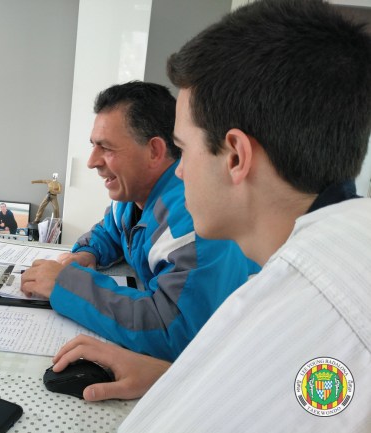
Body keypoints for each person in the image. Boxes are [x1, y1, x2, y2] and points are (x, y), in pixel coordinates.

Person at [50, 0, 371, 431]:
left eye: (184, 149)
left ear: (236, 156)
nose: (179, 171)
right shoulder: (341, 241)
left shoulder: (313, 314)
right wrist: (169, 376)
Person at [22, 81, 259, 361]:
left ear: (155, 151)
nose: (92, 161)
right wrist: (88, 252)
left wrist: (66, 285)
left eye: (106, 148)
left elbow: (173, 328)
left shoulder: (193, 214)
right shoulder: (131, 196)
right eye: (93, 146)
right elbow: (110, 231)